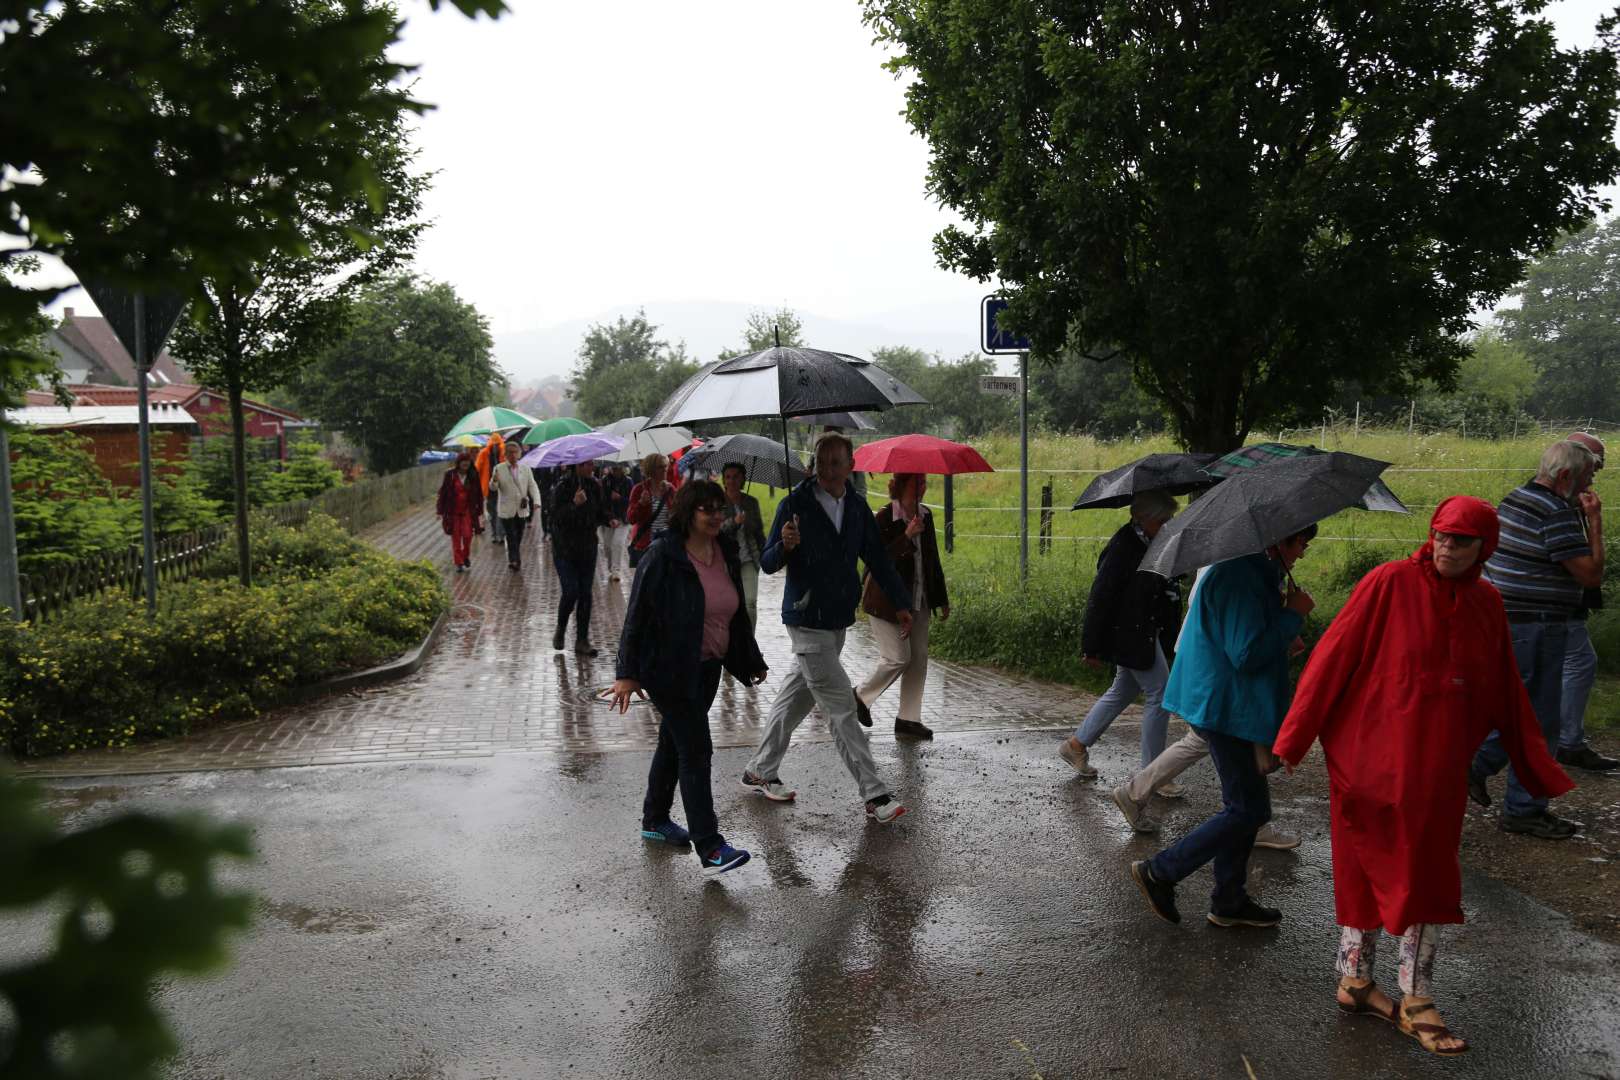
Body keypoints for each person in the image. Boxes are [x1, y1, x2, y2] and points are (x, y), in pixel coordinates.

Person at [1273, 496, 1573, 1057]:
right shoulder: (1388, 583)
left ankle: (1406, 990)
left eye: (1461, 540)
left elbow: (1506, 689)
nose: (1446, 546)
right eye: (1440, 535)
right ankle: (1365, 980)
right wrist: (1292, 740)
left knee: (1427, 874)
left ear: (1488, 547)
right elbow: (1330, 659)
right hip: (1369, 761)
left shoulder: (1486, 602)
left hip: (1436, 770)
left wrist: (1536, 767)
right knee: (1364, 867)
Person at [1129, 526, 1316, 929]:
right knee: (1247, 808)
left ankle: (1229, 899)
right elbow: (1246, 653)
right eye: (1301, 542)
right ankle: (1160, 871)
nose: (1302, 552)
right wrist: (1291, 617)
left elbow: (1248, 638)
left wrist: (1284, 627)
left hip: (1232, 706)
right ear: (1278, 539)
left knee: (1247, 807)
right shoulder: (1238, 576)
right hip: (1223, 706)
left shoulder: (1256, 572)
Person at [740, 432, 916, 823]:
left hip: (837, 620)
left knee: (793, 700)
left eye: (837, 461)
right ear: (814, 463)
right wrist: (784, 545)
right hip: (805, 621)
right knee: (840, 707)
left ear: (850, 465)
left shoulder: (856, 507)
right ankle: (874, 794)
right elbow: (768, 563)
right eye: (823, 460)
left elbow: (877, 560)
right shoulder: (795, 505)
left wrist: (902, 604)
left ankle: (759, 770)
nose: (830, 468)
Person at [612, 480, 769, 876]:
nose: (717, 515)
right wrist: (627, 673)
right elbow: (637, 615)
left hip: (708, 667)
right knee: (696, 749)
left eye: (720, 508)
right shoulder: (664, 554)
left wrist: (751, 659)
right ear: (688, 512)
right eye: (707, 509)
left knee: (674, 742)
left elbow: (734, 614)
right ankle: (711, 846)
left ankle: (655, 821)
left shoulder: (725, 550)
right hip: (668, 668)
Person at [1469, 440, 1600, 838]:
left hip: (1512, 621)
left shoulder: (1517, 498)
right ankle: (1521, 806)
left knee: (1518, 711)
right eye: (1587, 477)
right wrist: (1594, 522)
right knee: (1540, 721)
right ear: (1565, 477)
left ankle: (1476, 767)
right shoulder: (1554, 510)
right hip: (1537, 626)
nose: (1590, 485)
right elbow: (1590, 574)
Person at [1059, 490, 1179, 776]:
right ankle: (1152, 774)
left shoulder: (1153, 542)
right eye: (1162, 520)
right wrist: (1091, 645)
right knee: (1160, 693)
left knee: (1123, 688)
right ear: (1143, 518)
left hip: (1144, 630)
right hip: (1129, 633)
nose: (1166, 526)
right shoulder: (1124, 546)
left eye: (1168, 520)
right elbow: (1101, 595)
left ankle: (1076, 745)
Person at [854, 472, 950, 740]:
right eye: (916, 483)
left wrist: (940, 598)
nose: (923, 487)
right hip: (885, 601)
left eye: (924, 482)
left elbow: (932, 561)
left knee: (918, 659)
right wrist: (906, 536)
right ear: (900, 486)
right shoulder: (884, 518)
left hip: (919, 598)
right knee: (898, 657)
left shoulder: (926, 516)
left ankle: (909, 718)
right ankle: (859, 696)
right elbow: (878, 561)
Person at [1559, 433, 1617, 772]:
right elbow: (1589, 571)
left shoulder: (1562, 498)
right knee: (1579, 663)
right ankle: (1567, 742)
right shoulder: (1559, 504)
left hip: (1554, 602)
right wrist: (1595, 522)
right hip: (1556, 603)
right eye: (1595, 466)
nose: (1598, 473)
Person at [550, 459, 614, 654]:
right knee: (571, 591)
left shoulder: (594, 485)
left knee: (586, 593)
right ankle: (561, 628)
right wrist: (574, 505)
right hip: (564, 549)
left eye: (592, 463)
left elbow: (599, 511)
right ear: (576, 465)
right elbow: (555, 518)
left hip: (587, 547)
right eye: (587, 464)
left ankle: (582, 640)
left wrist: (609, 518)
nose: (591, 467)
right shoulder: (561, 487)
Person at [716, 462, 766, 627]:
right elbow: (716, 531)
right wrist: (734, 522)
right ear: (723, 480)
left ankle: (749, 644)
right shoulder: (717, 502)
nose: (732, 481)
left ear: (743, 479)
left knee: (750, 603)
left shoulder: (751, 502)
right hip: (725, 560)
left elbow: (759, 531)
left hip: (749, 559)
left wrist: (766, 555)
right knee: (728, 605)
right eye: (728, 477)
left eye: (736, 476)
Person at [490, 440, 541, 572]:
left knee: (518, 534)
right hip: (506, 509)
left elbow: (532, 485)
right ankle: (515, 560)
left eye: (515, 452)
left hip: (522, 508)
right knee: (511, 534)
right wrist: (494, 480)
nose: (513, 455)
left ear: (519, 453)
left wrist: (536, 501)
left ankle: (514, 557)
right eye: (510, 453)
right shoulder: (498, 468)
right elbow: (493, 488)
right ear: (505, 454)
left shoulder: (525, 468)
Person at [435, 450, 484, 572]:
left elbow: (479, 494)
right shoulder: (450, 475)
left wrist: (480, 510)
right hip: (453, 512)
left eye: (467, 461)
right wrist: (439, 511)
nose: (465, 464)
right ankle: (458, 562)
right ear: (459, 462)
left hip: (468, 511)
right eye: (463, 461)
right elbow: (443, 493)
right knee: (456, 537)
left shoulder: (474, 474)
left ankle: (465, 555)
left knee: (468, 536)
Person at [627, 453, 674, 569]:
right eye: (660, 467)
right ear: (651, 470)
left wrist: (672, 508)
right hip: (646, 546)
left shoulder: (670, 489)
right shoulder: (639, 489)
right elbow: (631, 518)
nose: (665, 470)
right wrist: (641, 504)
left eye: (665, 466)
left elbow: (679, 514)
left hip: (667, 544)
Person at [474, 431, 507, 550]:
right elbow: (476, 469)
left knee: (496, 512)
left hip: (496, 488)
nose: (495, 447)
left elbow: (476, 470)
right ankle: (498, 534)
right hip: (493, 488)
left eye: (496, 445)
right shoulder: (486, 454)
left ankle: (497, 534)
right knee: (495, 512)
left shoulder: (487, 453)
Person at [600, 463, 634, 581]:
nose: (616, 471)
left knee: (618, 543)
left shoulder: (629, 482)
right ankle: (611, 566)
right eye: (614, 469)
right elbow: (602, 502)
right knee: (607, 546)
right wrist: (610, 517)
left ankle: (616, 570)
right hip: (609, 519)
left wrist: (620, 498)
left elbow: (631, 501)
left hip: (623, 518)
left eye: (618, 468)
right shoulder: (605, 481)